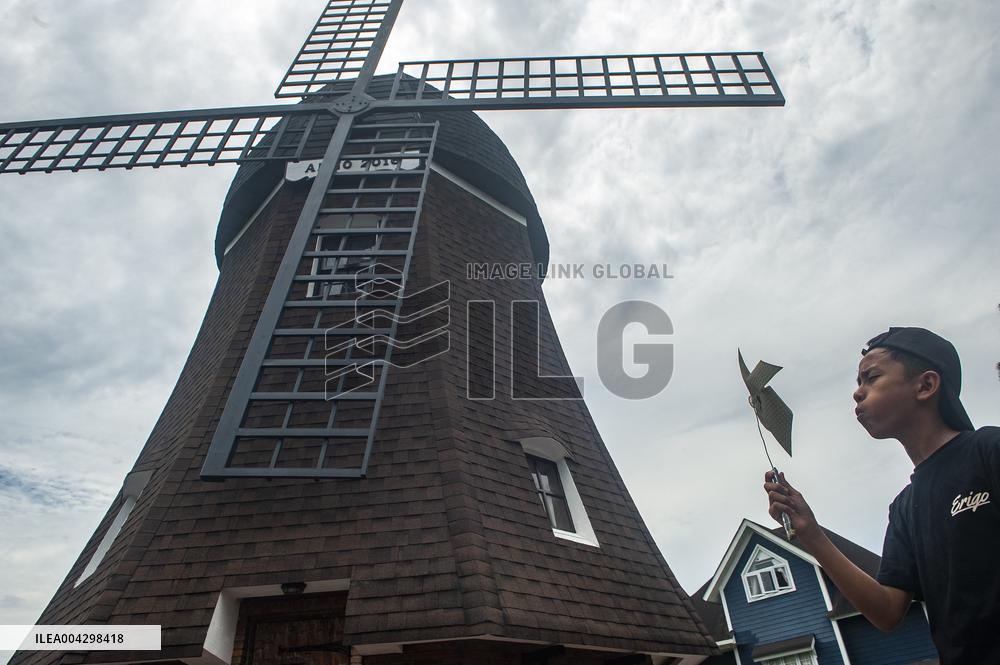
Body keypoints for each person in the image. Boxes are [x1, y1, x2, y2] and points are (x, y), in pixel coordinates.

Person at [764, 327, 998, 665]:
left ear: (926, 385)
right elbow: (887, 612)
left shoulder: (988, 451)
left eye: (871, 378)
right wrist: (810, 533)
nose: (857, 394)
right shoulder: (905, 507)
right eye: (858, 383)